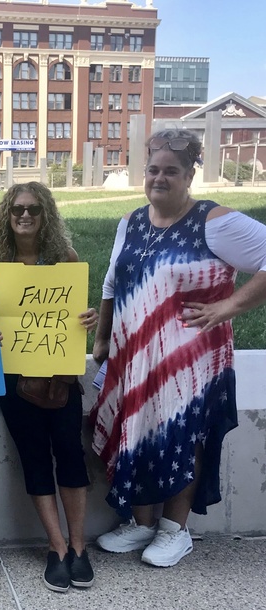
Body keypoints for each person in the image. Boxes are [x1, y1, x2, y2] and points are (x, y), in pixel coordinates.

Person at [91, 129, 266, 567]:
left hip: (192, 360)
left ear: (190, 174)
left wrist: (228, 306)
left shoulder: (215, 222)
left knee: (182, 436)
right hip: (135, 357)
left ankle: (176, 530)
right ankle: (142, 523)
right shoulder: (130, 221)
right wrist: (101, 336)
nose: (160, 178)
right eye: (153, 169)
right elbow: (113, 281)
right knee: (138, 432)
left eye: (172, 171)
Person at [0, 182, 98, 592]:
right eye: (17, 211)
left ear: (45, 214)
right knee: (33, 458)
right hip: (14, 378)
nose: (24, 216)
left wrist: (87, 320)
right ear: (6, 217)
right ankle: (57, 547)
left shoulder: (64, 259)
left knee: (70, 454)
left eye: (32, 209)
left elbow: (75, 313)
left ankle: (80, 547)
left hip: (58, 373)